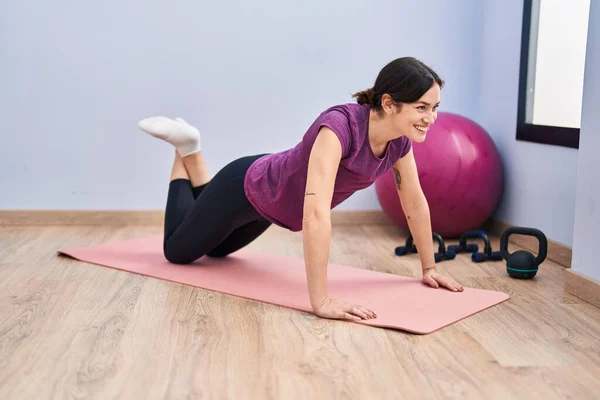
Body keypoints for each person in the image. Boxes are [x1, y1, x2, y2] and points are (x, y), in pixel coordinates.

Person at [137, 57, 464, 324]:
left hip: (271, 209)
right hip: (243, 188)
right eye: (422, 108)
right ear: (390, 103)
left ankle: (192, 156)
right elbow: (316, 212)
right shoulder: (339, 128)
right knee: (177, 253)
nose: (431, 118)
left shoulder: (399, 144)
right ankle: (186, 148)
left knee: (217, 253)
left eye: (434, 108)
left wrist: (429, 268)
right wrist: (320, 300)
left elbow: (415, 204)